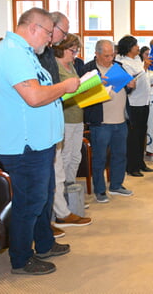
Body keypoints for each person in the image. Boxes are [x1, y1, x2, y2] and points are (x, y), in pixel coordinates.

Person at [0, 7, 80, 275]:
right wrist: (66, 86)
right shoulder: (13, 54)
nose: (51, 41)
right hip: (24, 144)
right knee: (30, 201)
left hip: (39, 142)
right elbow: (35, 97)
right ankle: (21, 258)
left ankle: (44, 243)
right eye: (49, 34)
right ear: (33, 28)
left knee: (42, 197)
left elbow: (39, 93)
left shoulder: (26, 53)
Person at [37, 11, 88, 238]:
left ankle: (63, 210)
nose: (75, 53)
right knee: (55, 169)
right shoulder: (45, 59)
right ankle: (55, 216)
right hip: (58, 119)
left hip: (69, 117)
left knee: (66, 163)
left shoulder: (54, 59)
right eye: (72, 49)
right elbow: (49, 93)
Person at [82, 40, 136, 203]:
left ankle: (116, 185)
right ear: (96, 54)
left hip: (120, 120)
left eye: (112, 55)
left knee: (120, 155)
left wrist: (131, 84)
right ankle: (100, 190)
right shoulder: (88, 69)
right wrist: (99, 86)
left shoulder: (118, 65)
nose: (110, 58)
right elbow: (84, 95)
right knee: (99, 158)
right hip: (101, 122)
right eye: (106, 56)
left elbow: (127, 85)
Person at [53, 33, 92, 228]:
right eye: (72, 50)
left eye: (77, 50)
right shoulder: (55, 65)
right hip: (65, 117)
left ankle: (71, 193)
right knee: (64, 157)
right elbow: (57, 93)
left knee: (76, 156)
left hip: (78, 116)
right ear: (62, 47)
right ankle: (63, 205)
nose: (75, 54)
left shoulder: (72, 66)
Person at [116, 35, 153, 178]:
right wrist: (144, 68)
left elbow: (145, 76)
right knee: (134, 136)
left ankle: (140, 162)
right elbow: (130, 80)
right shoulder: (122, 62)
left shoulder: (137, 60)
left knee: (142, 132)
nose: (138, 47)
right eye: (135, 45)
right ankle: (132, 166)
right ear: (129, 47)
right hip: (133, 102)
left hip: (144, 101)